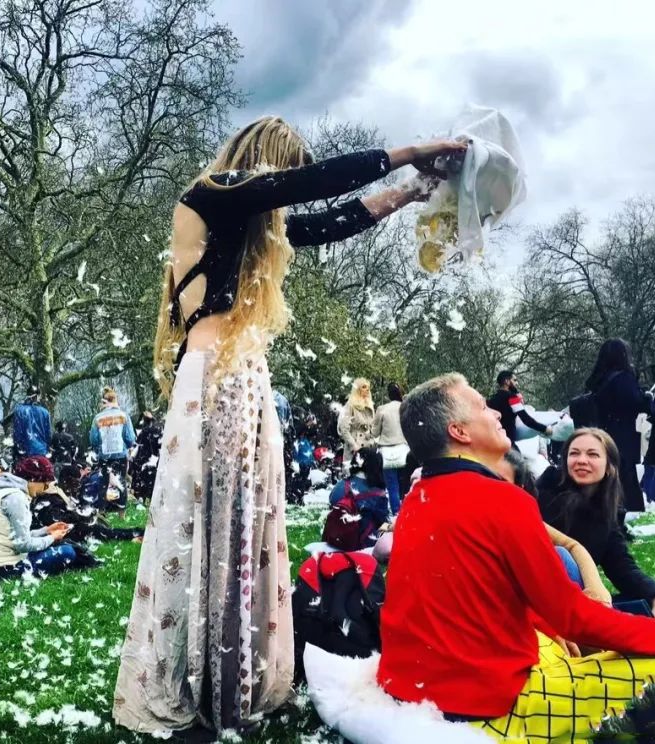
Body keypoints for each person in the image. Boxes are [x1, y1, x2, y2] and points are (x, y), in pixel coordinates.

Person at [114, 114, 467, 738]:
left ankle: (230, 676)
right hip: (219, 381)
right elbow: (313, 188)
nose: (288, 191)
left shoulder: (250, 224)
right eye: (287, 174)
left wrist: (412, 191)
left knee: (243, 527)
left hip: (242, 379)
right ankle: (209, 686)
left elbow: (335, 220)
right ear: (267, 160)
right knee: (219, 528)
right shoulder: (212, 194)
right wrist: (412, 151)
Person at [378, 373, 655, 741]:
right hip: (483, 709)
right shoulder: (503, 500)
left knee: (556, 644)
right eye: (482, 407)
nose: (497, 413)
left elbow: (478, 596)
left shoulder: (417, 500)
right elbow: (573, 618)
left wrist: (548, 624)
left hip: (413, 694)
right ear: (459, 432)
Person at [536, 428, 655, 615]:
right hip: (549, 601)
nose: (581, 460)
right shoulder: (543, 494)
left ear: (610, 467)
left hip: (590, 600)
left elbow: (622, 568)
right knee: (563, 556)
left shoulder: (606, 513)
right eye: (574, 453)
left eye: (592, 454)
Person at [494, 449, 611, 606]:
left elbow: (572, 545)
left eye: (500, 482)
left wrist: (596, 589)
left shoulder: (522, 518)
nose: (489, 488)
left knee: (561, 554)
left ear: (519, 489)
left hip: (533, 601)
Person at [0, 461, 78, 580]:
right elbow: (23, 544)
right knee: (68, 551)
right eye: (45, 486)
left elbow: (15, 537)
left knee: (59, 547)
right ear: (33, 480)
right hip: (2, 569)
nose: (44, 490)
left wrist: (46, 530)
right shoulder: (16, 497)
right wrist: (52, 537)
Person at [583, 338, 652, 512]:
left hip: (600, 432)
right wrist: (646, 398)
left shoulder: (597, 381)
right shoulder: (624, 378)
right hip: (622, 434)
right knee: (624, 476)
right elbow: (635, 403)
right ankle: (627, 510)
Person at [15, 455, 141, 544]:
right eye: (74, 483)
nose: (76, 487)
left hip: (67, 529)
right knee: (100, 531)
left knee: (101, 530)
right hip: (63, 531)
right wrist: (78, 518)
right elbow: (55, 520)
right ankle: (133, 534)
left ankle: (133, 533)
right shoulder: (49, 497)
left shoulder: (59, 494)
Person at [89, 387, 135, 511]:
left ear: (104, 402)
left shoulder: (98, 418)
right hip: (120, 455)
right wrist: (128, 447)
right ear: (115, 400)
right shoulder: (124, 416)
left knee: (103, 483)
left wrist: (98, 448)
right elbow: (130, 438)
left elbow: (93, 440)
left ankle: (102, 510)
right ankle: (121, 512)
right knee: (121, 482)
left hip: (104, 456)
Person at [487, 370, 552, 450]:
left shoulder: (492, 399)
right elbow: (526, 419)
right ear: (507, 381)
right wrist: (544, 429)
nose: (517, 383)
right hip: (507, 444)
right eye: (514, 380)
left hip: (493, 442)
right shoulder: (512, 397)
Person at [371, 382, 407, 515]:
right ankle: (407, 509)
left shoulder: (382, 409)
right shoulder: (405, 408)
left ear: (388, 395)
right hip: (404, 449)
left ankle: (396, 512)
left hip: (387, 450)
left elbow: (374, 433)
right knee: (404, 483)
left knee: (392, 485)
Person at [338, 377, 375, 466]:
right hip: (354, 450)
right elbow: (344, 429)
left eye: (368, 387)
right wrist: (353, 445)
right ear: (357, 389)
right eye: (364, 387)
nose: (367, 390)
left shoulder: (370, 406)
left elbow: (373, 428)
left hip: (368, 450)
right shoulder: (350, 406)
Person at [11, 385, 52, 461]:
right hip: (41, 452)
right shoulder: (45, 412)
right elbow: (48, 434)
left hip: (24, 452)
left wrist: (18, 447)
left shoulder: (19, 411)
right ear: (38, 396)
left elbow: (17, 433)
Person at [130, 411, 162, 503]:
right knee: (152, 479)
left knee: (142, 477)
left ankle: (141, 497)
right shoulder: (159, 429)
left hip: (144, 457)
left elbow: (137, 443)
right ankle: (150, 497)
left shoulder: (144, 431)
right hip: (155, 458)